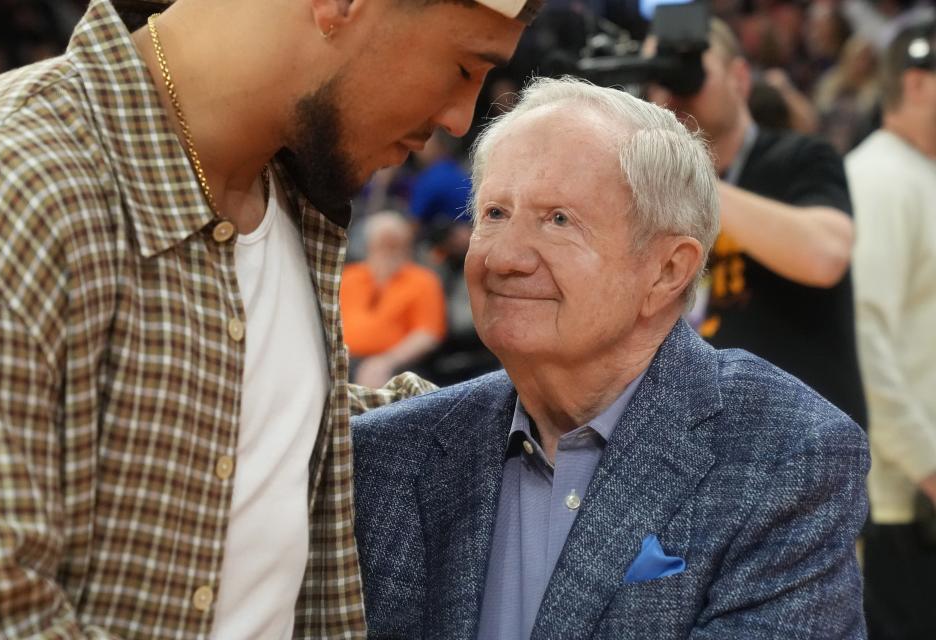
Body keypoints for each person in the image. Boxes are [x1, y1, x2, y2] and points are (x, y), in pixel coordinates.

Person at [0, 0, 533, 635]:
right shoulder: (12, 181)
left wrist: (557, 399)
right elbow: (0, 611)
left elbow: (263, 435)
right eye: (463, 67)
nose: (459, 120)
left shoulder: (294, 192)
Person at [352, 77, 869, 639]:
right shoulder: (388, 455)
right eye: (495, 213)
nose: (504, 258)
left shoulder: (787, 454)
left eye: (559, 220)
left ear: (668, 270)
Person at [652, 18, 867, 429]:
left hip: (806, 440)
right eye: (657, 76)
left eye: (688, 69)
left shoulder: (801, 157)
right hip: (694, 440)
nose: (673, 91)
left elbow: (827, 256)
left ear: (739, 78)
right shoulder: (646, 191)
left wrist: (695, 181)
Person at [846, 20, 936, 640]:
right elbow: (865, 337)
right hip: (905, 499)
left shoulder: (918, 173)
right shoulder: (879, 177)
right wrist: (930, 466)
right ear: (919, 83)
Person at [341, 211, 447, 387]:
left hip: (397, 365)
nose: (388, 252)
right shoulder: (349, 277)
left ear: (407, 246)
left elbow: (427, 334)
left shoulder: (423, 281)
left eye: (395, 244)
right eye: (382, 244)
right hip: (343, 361)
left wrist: (386, 361)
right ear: (369, 246)